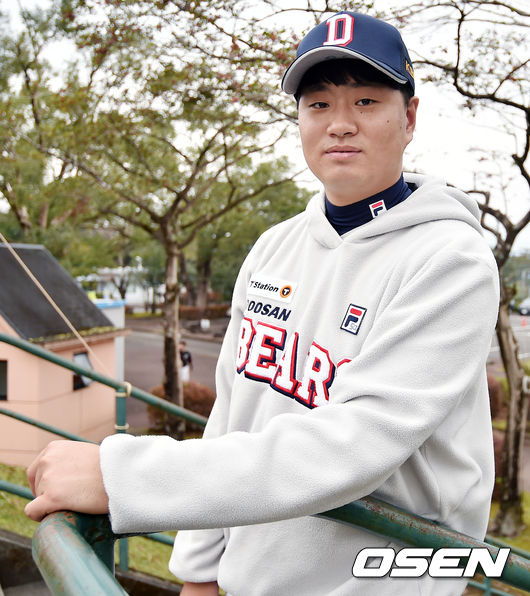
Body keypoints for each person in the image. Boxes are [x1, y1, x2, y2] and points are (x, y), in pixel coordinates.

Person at [25, 11, 499, 596]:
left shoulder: (450, 259)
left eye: (366, 101)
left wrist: (121, 476)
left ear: (409, 117)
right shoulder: (274, 247)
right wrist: (199, 570)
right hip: (251, 581)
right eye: (318, 104)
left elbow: (356, 443)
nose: (340, 124)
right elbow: (231, 413)